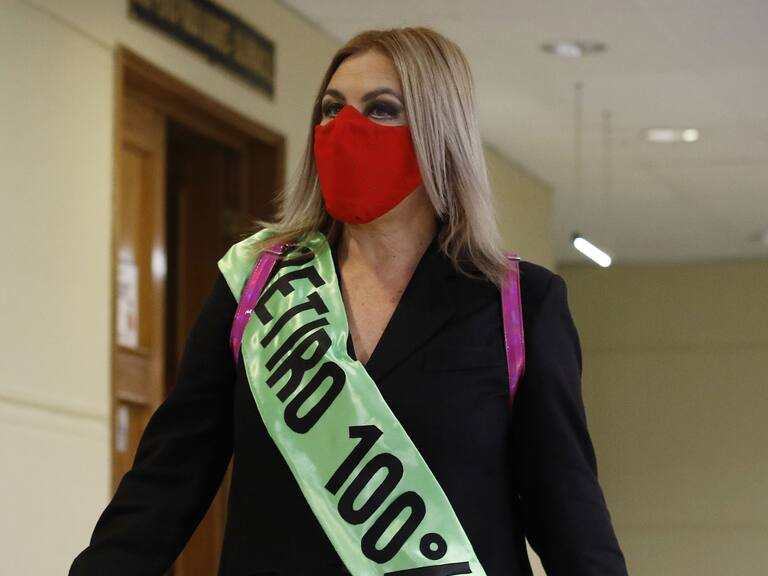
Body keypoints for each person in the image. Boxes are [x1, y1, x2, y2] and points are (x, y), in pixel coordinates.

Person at [70, 26, 628, 576]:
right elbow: (169, 478)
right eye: (331, 109)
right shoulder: (259, 284)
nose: (346, 128)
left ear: (440, 132)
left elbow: (568, 516)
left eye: (382, 109)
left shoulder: (518, 304)